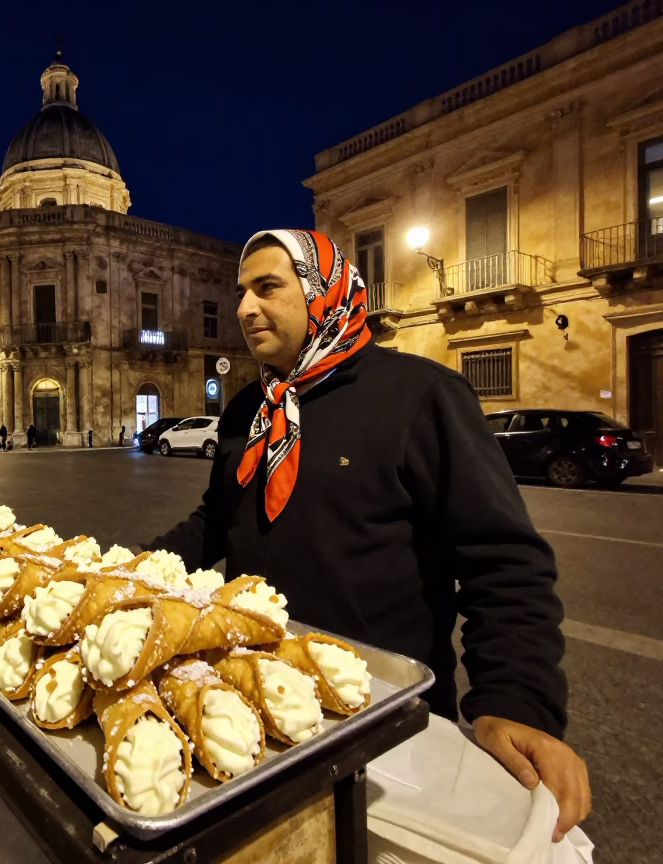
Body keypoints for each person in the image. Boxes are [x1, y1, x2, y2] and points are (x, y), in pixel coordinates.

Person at [145, 229, 590, 841]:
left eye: (267, 288)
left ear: (322, 292)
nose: (245, 308)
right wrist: (133, 568)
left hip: (380, 719)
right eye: (241, 291)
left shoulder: (421, 396)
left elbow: (504, 562)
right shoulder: (250, 406)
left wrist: (515, 701)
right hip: (250, 696)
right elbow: (216, 521)